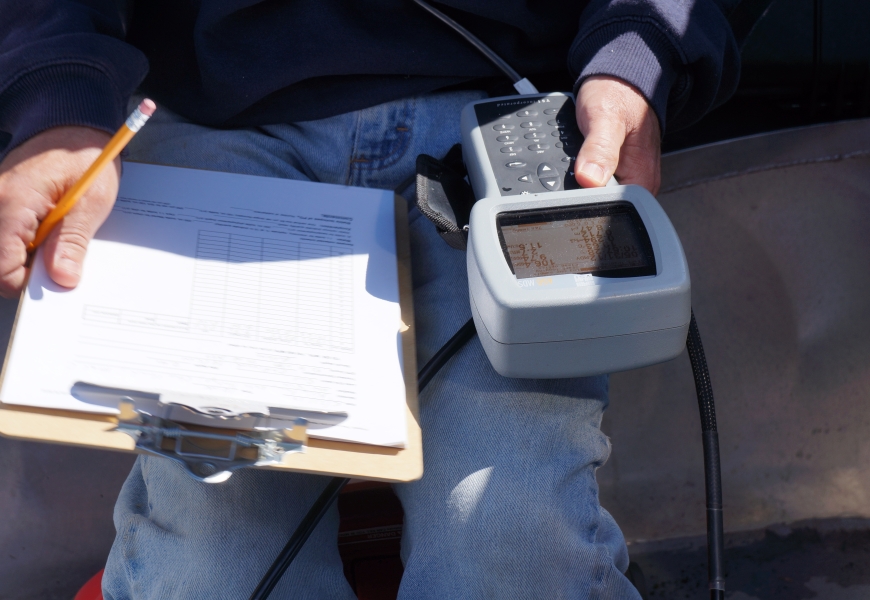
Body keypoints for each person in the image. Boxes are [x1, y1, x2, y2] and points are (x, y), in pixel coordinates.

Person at [0, 2, 740, 598]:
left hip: (503, 116)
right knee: (216, 562)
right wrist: (58, 97)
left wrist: (635, 54)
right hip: (224, 117)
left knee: (511, 542)